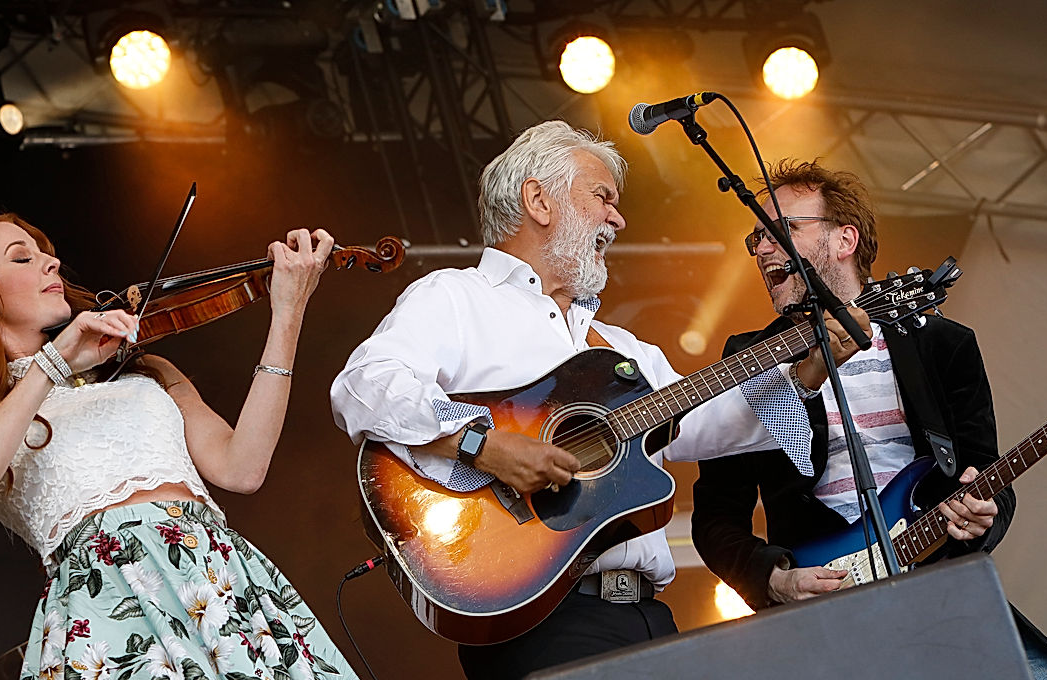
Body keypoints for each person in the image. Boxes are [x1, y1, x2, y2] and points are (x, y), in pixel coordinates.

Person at [328, 122, 862, 680]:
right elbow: (365, 384)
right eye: (602, 196)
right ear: (539, 200)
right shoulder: (457, 297)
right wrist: (482, 444)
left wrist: (807, 371)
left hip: (648, 616)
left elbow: (707, 423)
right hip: (537, 616)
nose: (618, 217)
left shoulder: (620, 346)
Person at [0, 214, 357, 680]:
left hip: (216, 580)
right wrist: (54, 363)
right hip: (107, 602)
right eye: (23, 257)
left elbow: (242, 468)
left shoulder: (145, 370)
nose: (52, 263)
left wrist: (287, 314)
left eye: (46, 252)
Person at [690, 159, 1047, 677]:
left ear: (844, 240)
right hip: (817, 598)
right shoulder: (750, 358)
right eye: (754, 238)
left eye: (780, 231)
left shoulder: (943, 344)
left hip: (933, 581)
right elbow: (715, 517)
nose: (761, 248)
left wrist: (980, 519)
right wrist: (774, 580)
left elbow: (987, 476)